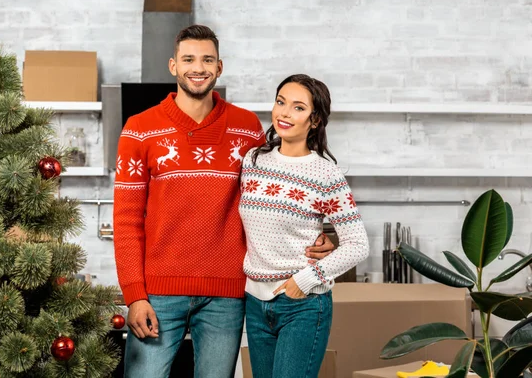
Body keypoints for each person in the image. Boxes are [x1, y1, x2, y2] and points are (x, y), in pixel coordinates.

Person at [113, 26, 335, 378]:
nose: (197, 68)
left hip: (227, 295)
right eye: (188, 59)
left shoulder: (247, 128)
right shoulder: (139, 129)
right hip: (157, 293)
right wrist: (134, 295)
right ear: (173, 66)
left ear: (220, 67)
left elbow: (281, 189)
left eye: (207, 60)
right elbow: (126, 221)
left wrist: (323, 236)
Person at [240, 74, 370, 378]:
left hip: (302, 305)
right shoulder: (253, 161)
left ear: (315, 120)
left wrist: (307, 279)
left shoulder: (325, 173)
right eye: (280, 102)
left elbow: (357, 243)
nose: (284, 113)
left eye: (298, 108)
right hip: (255, 304)